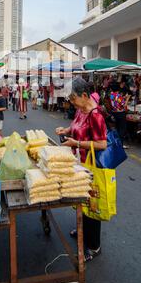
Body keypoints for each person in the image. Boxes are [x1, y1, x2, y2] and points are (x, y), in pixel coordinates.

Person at [55, 78, 107, 262]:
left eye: (73, 98)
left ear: (85, 96)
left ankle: (94, 246)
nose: (71, 102)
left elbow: (102, 144)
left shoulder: (96, 115)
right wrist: (66, 130)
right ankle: (82, 230)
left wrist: (76, 143)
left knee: (92, 206)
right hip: (79, 164)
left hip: (92, 167)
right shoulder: (80, 109)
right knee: (81, 200)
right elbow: (75, 126)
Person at [109, 81, 131, 148]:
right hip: (120, 113)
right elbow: (123, 105)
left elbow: (117, 102)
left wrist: (123, 98)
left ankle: (117, 144)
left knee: (117, 128)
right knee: (122, 130)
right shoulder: (118, 96)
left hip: (114, 113)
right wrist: (127, 98)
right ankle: (120, 144)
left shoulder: (112, 95)